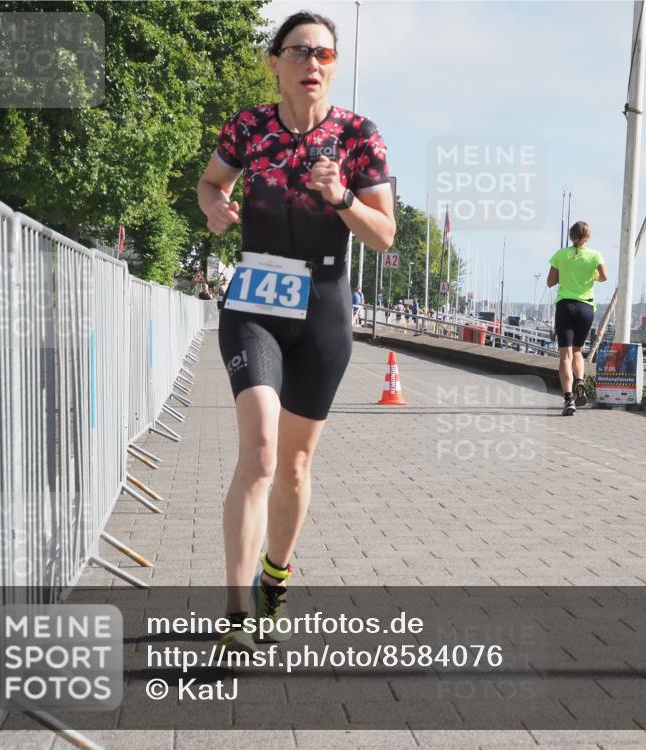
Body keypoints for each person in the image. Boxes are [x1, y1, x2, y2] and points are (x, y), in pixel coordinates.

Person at [196, 10, 395, 649]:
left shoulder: (359, 135)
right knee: (258, 451)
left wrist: (342, 199)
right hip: (256, 299)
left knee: (295, 466)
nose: (314, 63)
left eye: (327, 55)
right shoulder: (249, 126)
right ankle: (234, 610)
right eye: (301, 51)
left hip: (324, 307)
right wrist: (215, 207)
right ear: (276, 61)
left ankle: (274, 576)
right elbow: (210, 182)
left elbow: (386, 235)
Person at [547, 221, 607, 416]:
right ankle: (580, 380)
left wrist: (564, 274)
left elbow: (550, 282)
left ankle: (568, 399)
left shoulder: (560, 255)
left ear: (571, 236)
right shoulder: (595, 255)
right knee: (578, 351)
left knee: (565, 355)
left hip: (565, 306)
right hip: (586, 307)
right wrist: (592, 277)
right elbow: (604, 276)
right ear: (587, 237)